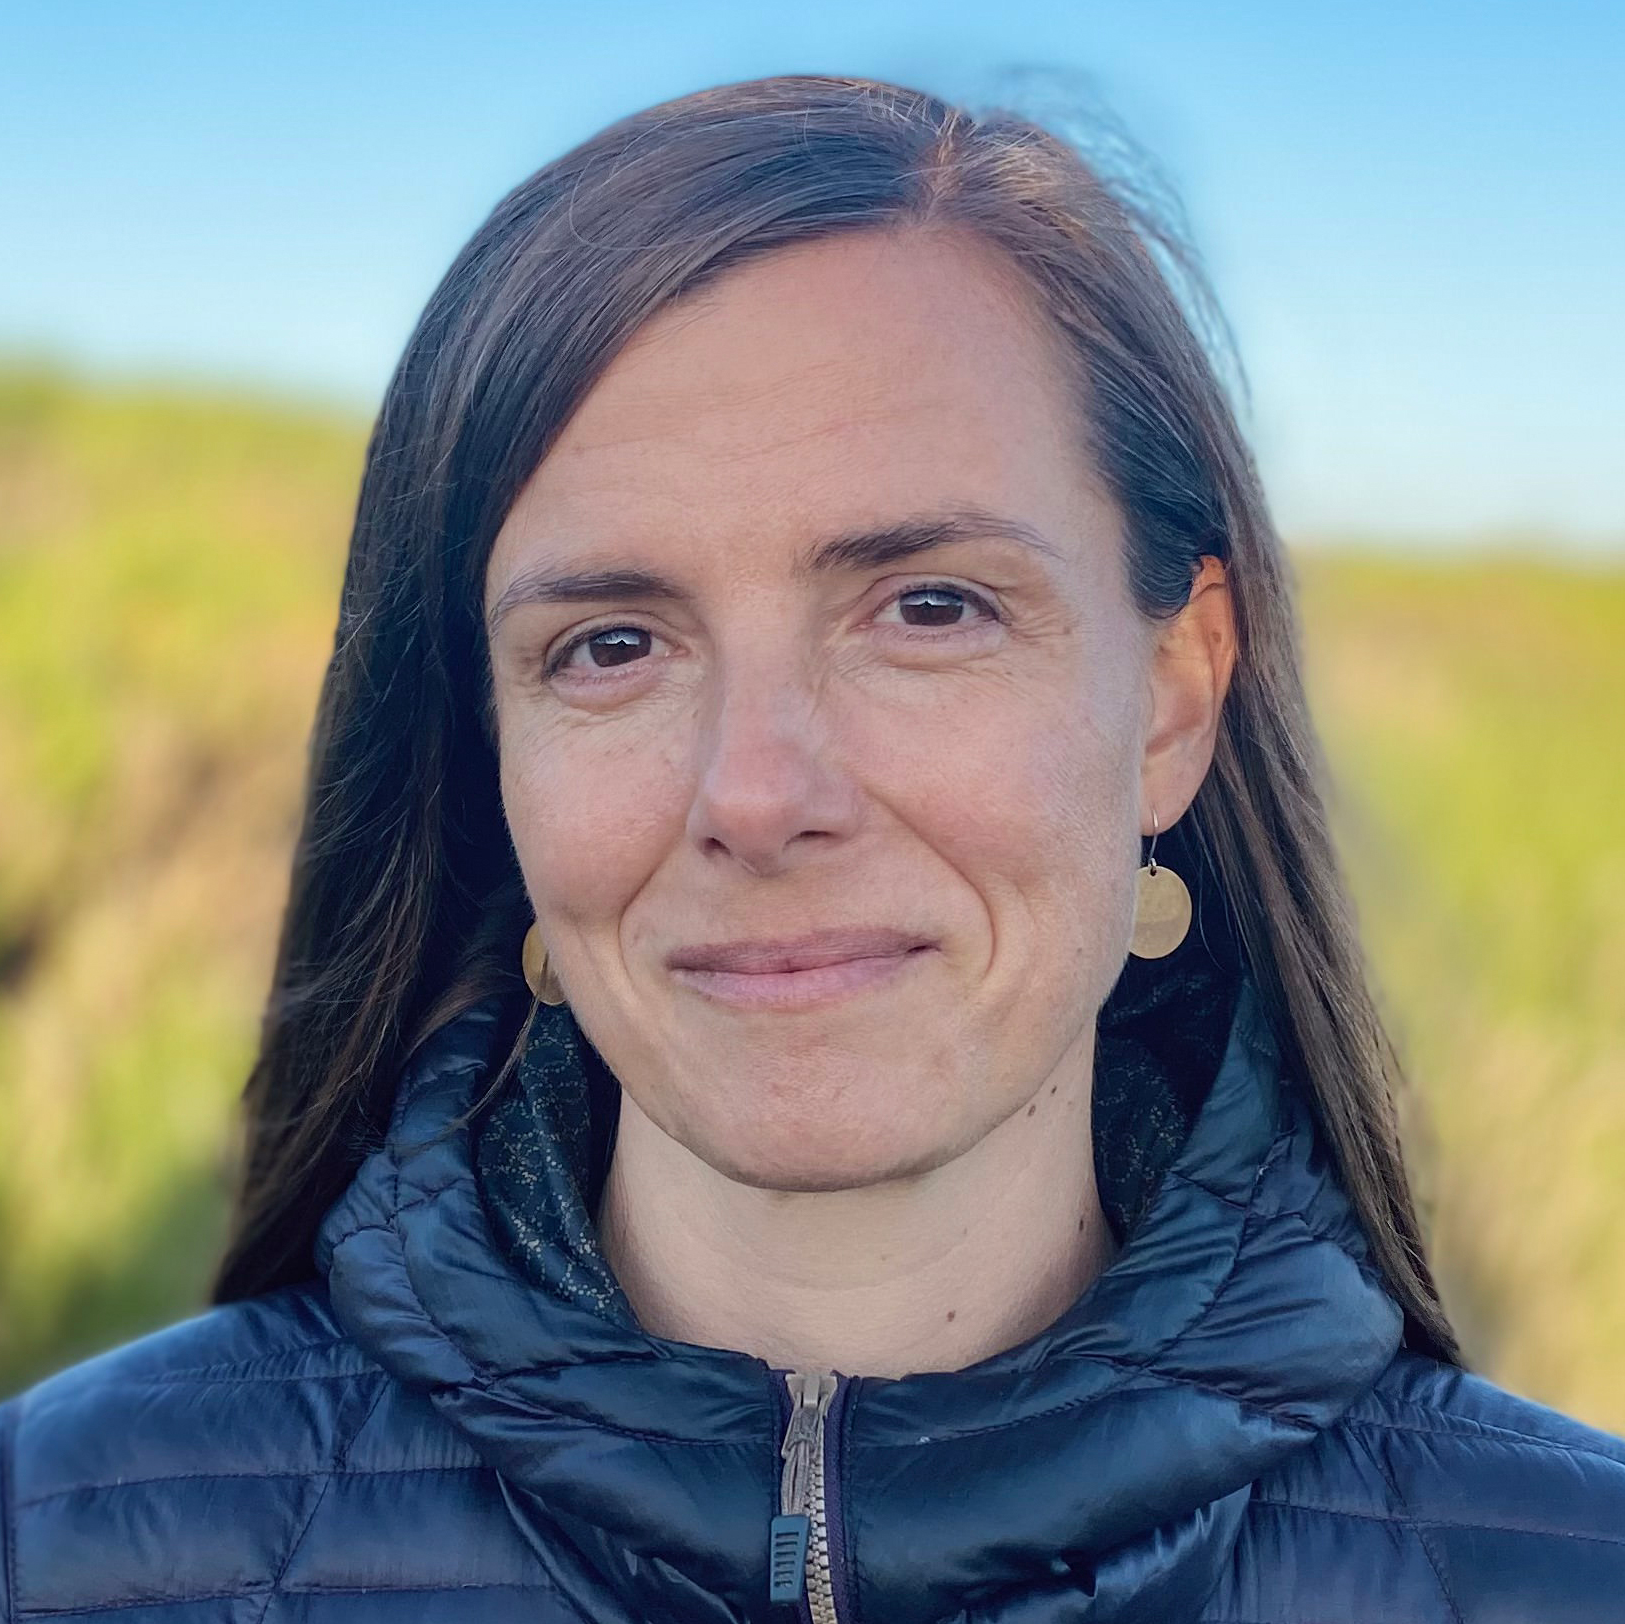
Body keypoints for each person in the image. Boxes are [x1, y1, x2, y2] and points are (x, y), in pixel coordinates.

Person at [2, 72, 1622, 1624]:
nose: (759, 792)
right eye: (611, 643)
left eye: (929, 608)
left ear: (1176, 695)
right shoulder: (61, 1548)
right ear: (490, 747)